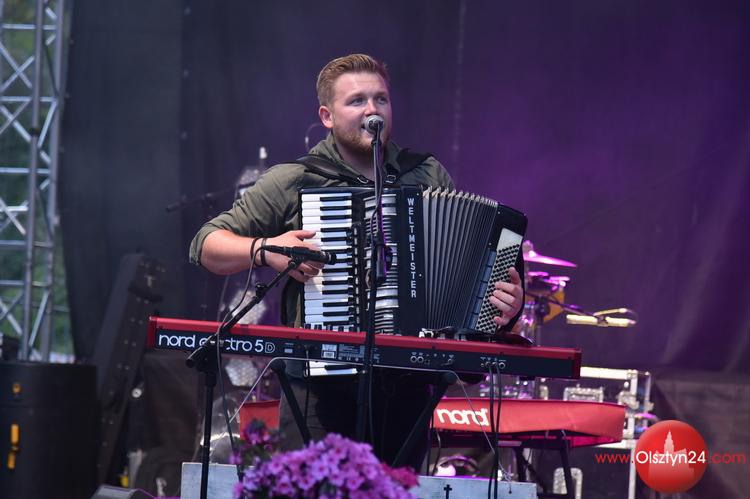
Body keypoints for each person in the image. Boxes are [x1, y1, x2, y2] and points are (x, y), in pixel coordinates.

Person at [189, 54, 524, 469]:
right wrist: (266, 249)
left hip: (407, 390)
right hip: (320, 391)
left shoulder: (425, 174)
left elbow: (464, 271)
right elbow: (206, 245)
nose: (372, 110)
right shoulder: (296, 178)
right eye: (357, 101)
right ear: (327, 117)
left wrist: (501, 304)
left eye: (381, 99)